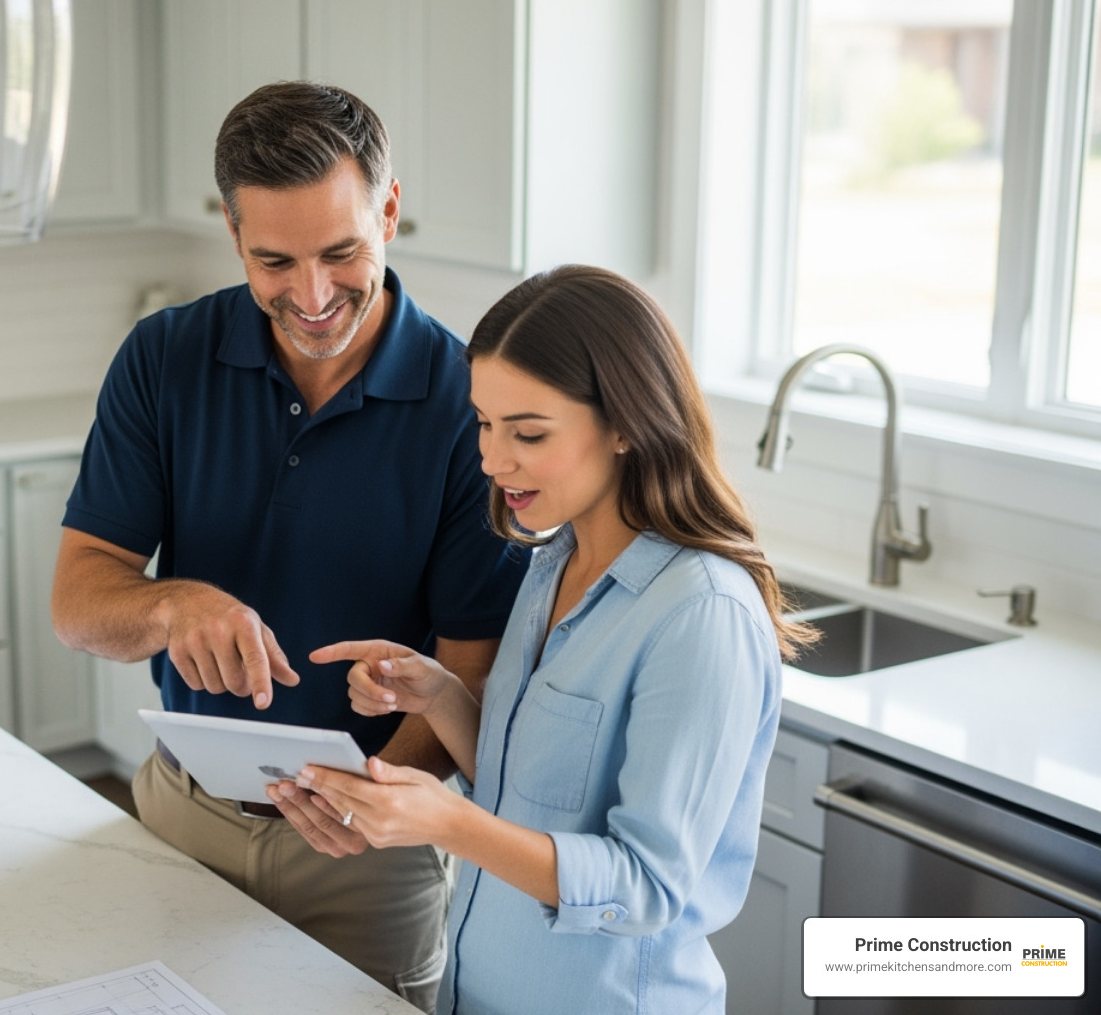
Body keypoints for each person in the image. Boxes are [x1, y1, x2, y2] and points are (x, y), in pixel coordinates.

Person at [50, 81, 525, 1011]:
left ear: (389, 209)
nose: (311, 297)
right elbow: (78, 606)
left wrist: (373, 795)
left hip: (370, 856)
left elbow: (475, 668)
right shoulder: (162, 359)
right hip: (180, 820)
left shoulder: (467, 400)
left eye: (341, 252)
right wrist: (170, 603)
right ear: (234, 236)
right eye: (275, 260)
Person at [294, 265, 818, 1015]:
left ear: (627, 424)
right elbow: (530, 790)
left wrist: (451, 823)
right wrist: (440, 696)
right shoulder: (551, 564)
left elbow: (648, 884)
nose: (492, 459)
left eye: (529, 432)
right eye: (482, 422)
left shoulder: (701, 616)